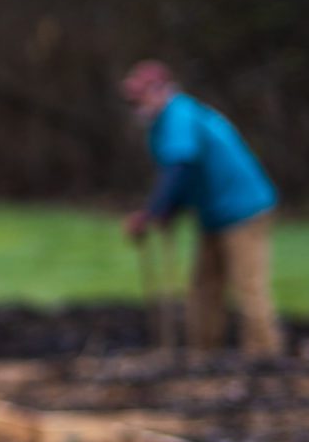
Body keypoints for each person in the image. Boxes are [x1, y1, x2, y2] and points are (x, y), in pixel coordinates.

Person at [120, 60, 283, 357]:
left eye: (139, 98)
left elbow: (179, 168)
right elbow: (188, 175)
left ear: (160, 90)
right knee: (205, 286)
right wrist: (168, 211)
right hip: (213, 213)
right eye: (131, 102)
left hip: (243, 210)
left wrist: (153, 213)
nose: (136, 108)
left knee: (248, 286)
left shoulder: (178, 115)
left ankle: (265, 357)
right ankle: (204, 355)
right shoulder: (164, 123)